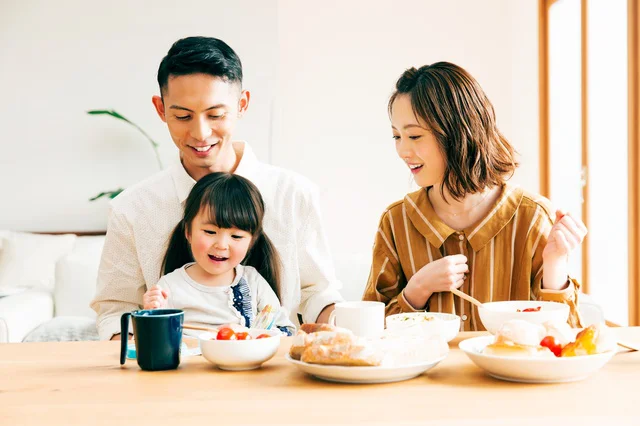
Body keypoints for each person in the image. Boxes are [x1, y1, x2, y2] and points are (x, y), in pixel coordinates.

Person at [91, 36, 343, 340]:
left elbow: (317, 293)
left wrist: (341, 330)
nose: (200, 133)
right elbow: (116, 308)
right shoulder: (133, 208)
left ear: (242, 105)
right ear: (160, 109)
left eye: (216, 115)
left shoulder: (293, 194)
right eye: (182, 116)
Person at [362, 62, 587, 331]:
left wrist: (554, 264)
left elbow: (565, 337)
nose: (402, 150)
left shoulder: (532, 216)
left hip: (507, 374)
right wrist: (417, 290)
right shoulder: (396, 222)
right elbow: (367, 334)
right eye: (397, 136)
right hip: (427, 375)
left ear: (457, 131)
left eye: (414, 135)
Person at [142, 172, 295, 336]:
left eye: (236, 236)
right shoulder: (169, 286)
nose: (221, 245)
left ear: (252, 241)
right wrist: (150, 315)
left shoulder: (253, 282)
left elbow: (286, 332)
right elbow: (154, 340)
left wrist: (246, 333)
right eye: (209, 232)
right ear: (188, 231)